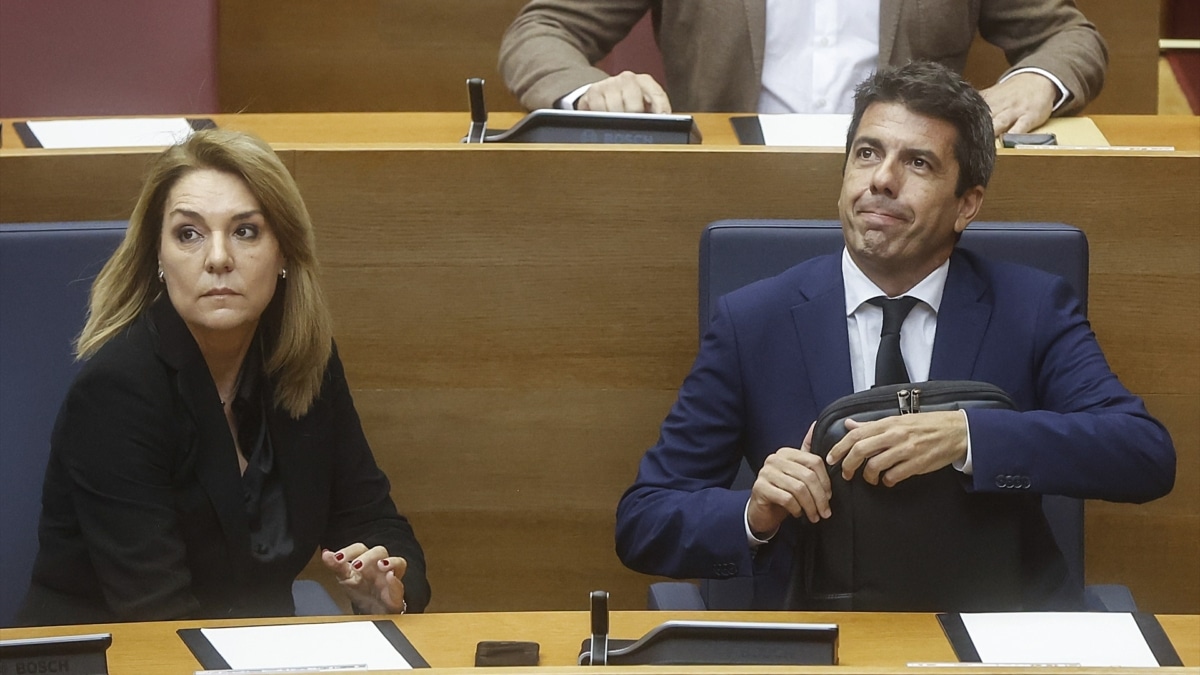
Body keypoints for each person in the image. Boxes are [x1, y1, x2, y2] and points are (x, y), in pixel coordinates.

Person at [614, 61, 1175, 610]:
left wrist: (968, 436)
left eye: (919, 163)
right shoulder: (754, 320)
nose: (882, 179)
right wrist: (754, 513)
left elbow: (1142, 453)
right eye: (867, 153)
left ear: (967, 204)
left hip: (996, 630)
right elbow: (645, 520)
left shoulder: (1031, 307)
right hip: (825, 628)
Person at [17, 129, 430, 625]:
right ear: (158, 257)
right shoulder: (118, 391)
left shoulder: (302, 361)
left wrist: (386, 585)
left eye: (245, 231)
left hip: (246, 648)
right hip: (115, 653)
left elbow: (370, 516)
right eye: (189, 233)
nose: (218, 258)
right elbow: (155, 611)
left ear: (283, 253)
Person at [498, 0, 1108, 135]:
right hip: (722, 186)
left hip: (912, 197)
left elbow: (1067, 36)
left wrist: (1036, 80)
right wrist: (591, 91)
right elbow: (541, 31)